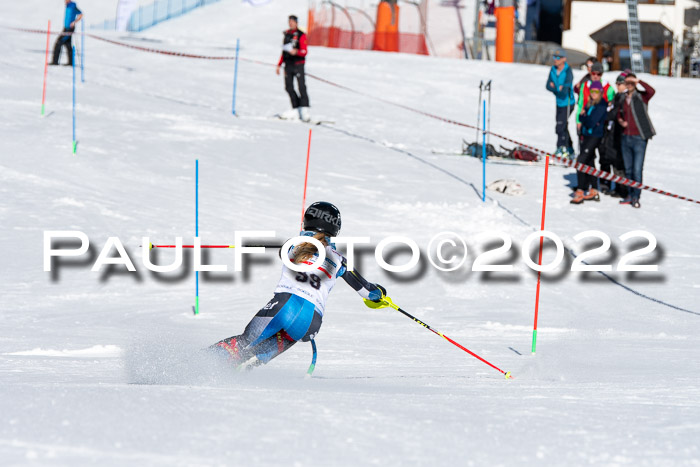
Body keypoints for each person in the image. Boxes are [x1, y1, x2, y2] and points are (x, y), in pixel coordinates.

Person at [210, 202, 386, 370]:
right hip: (311, 322)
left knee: (244, 342)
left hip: (285, 305)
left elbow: (284, 252)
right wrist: (380, 293)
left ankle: (200, 361)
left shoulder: (293, 244)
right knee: (275, 343)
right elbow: (369, 293)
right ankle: (250, 363)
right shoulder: (340, 260)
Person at [617, 74, 656, 208]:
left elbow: (652, 91)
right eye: (627, 82)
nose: (629, 85)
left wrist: (638, 81)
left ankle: (636, 196)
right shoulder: (623, 97)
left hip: (639, 138)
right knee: (628, 169)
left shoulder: (642, 96)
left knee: (637, 169)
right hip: (625, 137)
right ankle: (629, 194)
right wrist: (621, 121)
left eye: (631, 82)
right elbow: (618, 113)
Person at [571, 81, 608, 204]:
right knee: (590, 162)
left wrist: (584, 117)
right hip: (586, 135)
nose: (593, 93)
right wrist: (584, 117)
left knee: (580, 161)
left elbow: (590, 121)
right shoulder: (590, 103)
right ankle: (594, 188)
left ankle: (581, 189)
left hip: (594, 136)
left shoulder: (602, 104)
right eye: (592, 91)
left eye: (596, 91)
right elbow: (582, 117)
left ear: (601, 92)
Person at [598, 73, 629, 198]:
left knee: (619, 164)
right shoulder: (618, 96)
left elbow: (615, 114)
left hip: (620, 135)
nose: (617, 85)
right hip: (611, 133)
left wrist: (606, 114)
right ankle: (616, 187)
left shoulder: (624, 97)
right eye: (617, 83)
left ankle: (623, 189)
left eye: (619, 83)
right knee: (612, 161)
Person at [276, 15, 310, 122]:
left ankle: (304, 110)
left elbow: (305, 51)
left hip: (298, 64)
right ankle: (295, 108)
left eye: (292, 21)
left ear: (296, 23)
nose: (290, 23)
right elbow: (284, 51)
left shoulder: (301, 35)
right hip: (288, 65)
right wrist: (279, 64)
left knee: (301, 87)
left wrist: (297, 52)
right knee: (288, 87)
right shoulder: (287, 34)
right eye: (289, 21)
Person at [546, 49, 575, 158]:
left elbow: (565, 90)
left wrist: (556, 88)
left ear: (564, 59)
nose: (555, 60)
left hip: (568, 102)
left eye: (558, 58)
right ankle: (570, 148)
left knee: (560, 126)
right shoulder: (553, 69)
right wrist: (557, 88)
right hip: (559, 102)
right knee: (562, 125)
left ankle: (561, 147)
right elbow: (548, 85)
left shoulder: (568, 71)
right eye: (554, 57)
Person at [50, 0, 82, 66]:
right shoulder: (67, 6)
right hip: (65, 28)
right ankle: (70, 63)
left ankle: (55, 62)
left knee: (59, 42)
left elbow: (81, 14)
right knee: (68, 45)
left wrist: (74, 22)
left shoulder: (73, 5)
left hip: (69, 29)